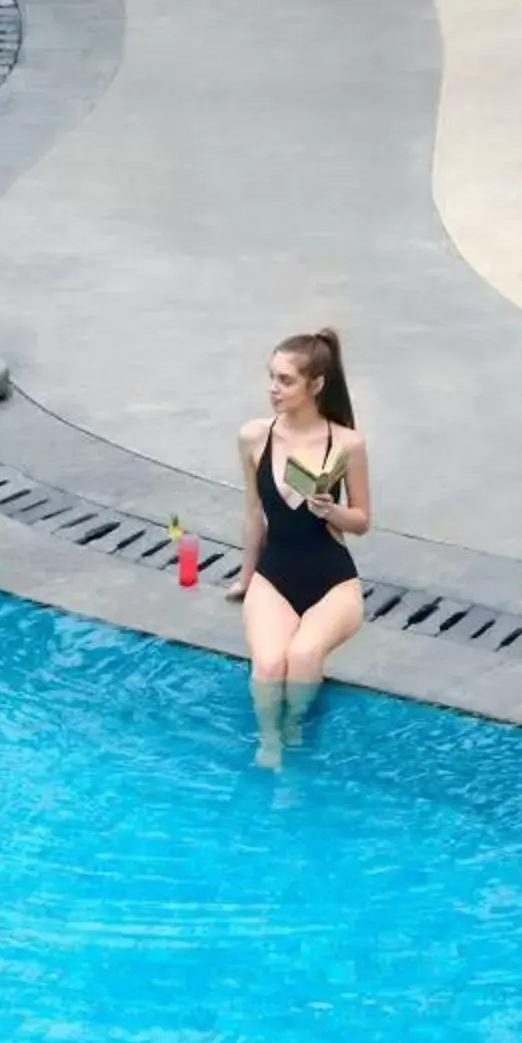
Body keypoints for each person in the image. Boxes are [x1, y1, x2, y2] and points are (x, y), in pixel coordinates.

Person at [224, 328, 368, 766]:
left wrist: (331, 510)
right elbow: (253, 515)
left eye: (285, 381)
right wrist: (247, 579)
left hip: (332, 580)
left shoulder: (345, 443)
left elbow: (362, 520)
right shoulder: (254, 437)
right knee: (269, 665)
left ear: (316, 385)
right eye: (272, 378)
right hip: (275, 574)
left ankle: (294, 732)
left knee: (303, 655)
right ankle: (269, 744)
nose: (273, 389)